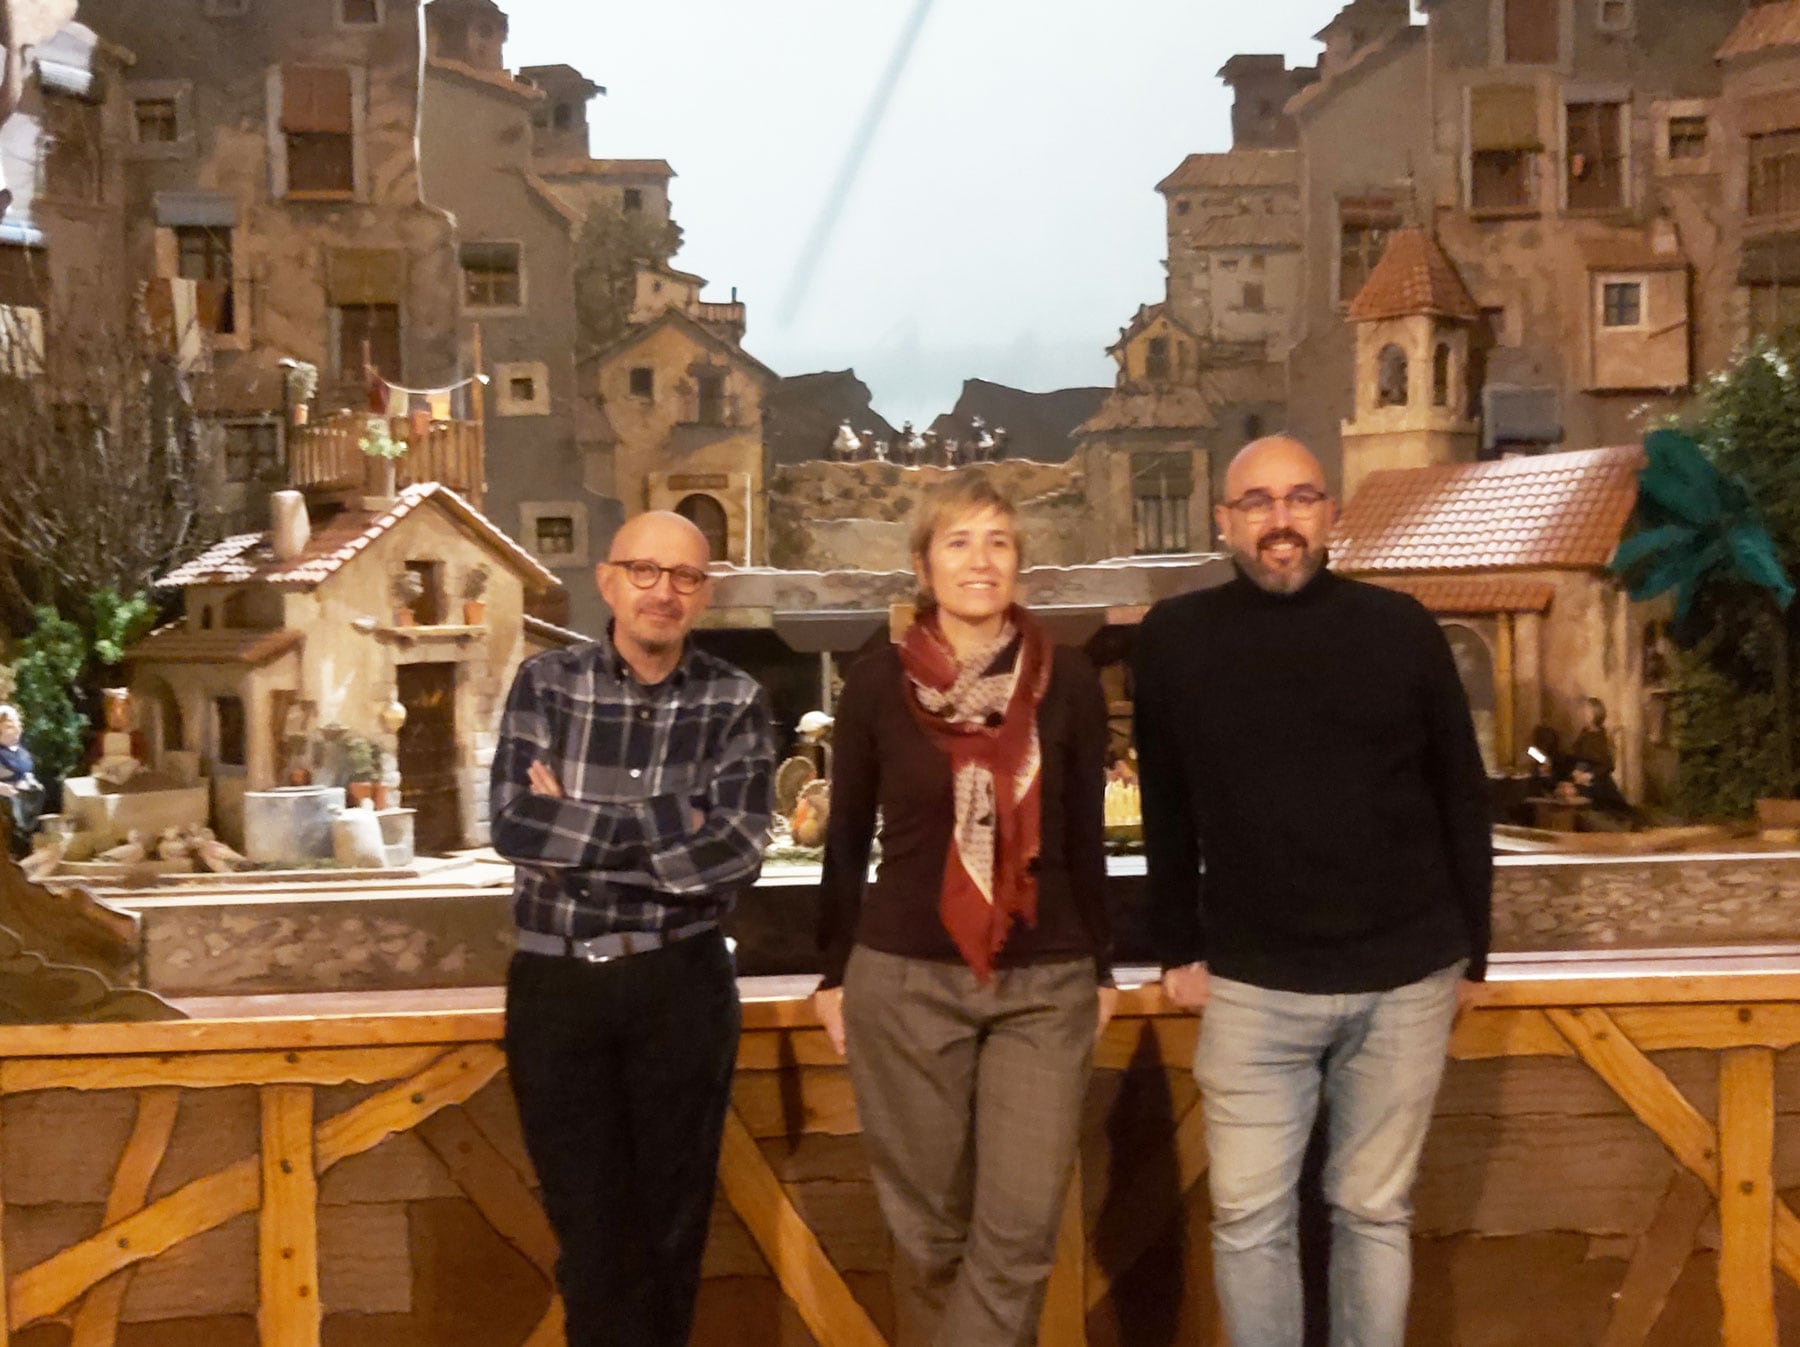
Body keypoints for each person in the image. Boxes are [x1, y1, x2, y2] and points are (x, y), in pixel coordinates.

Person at [1133, 435, 1491, 1347]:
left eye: (1300, 499)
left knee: (1373, 1211)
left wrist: (1475, 953)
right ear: (1225, 523)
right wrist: (1176, 946)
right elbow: (1167, 807)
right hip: (1254, 983)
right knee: (1250, 1222)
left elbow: (1460, 790)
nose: (1280, 520)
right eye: (1257, 503)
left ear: (1332, 515)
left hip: (1405, 977)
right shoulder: (1175, 639)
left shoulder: (1401, 626)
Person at [812, 472, 1116, 1347]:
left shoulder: (1072, 683)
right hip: (902, 976)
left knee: (1019, 1237)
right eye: (958, 541)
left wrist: (1099, 961)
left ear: (1019, 562)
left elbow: (1084, 836)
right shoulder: (875, 684)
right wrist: (833, 968)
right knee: (929, 1237)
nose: (980, 560)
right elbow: (846, 835)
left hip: (1043, 978)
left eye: (998, 542)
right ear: (922, 564)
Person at [490, 510, 775, 1347]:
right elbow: (514, 824)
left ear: (703, 593)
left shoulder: (736, 699)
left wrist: (578, 820)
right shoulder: (545, 683)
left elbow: (734, 851)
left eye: (684, 576)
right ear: (609, 581)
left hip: (679, 982)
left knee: (670, 1237)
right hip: (558, 984)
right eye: (646, 571)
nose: (664, 591)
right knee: (594, 1240)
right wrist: (668, 822)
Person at [0, 704, 42, 858]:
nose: (16, 729)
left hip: (25, 800)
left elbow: (26, 772)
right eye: (10, 726)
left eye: (18, 724)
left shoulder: (21, 753)